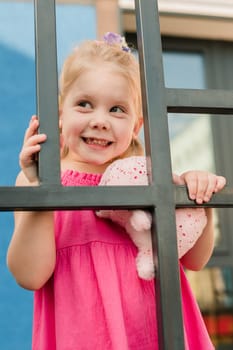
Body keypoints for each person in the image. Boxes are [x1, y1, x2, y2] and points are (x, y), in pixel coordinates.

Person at [7, 32, 226, 350]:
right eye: (84, 104)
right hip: (84, 335)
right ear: (59, 114)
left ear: (136, 127)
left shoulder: (151, 179)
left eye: (117, 110)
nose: (100, 120)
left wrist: (195, 198)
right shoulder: (33, 181)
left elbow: (194, 258)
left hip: (157, 333)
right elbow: (29, 275)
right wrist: (42, 189)